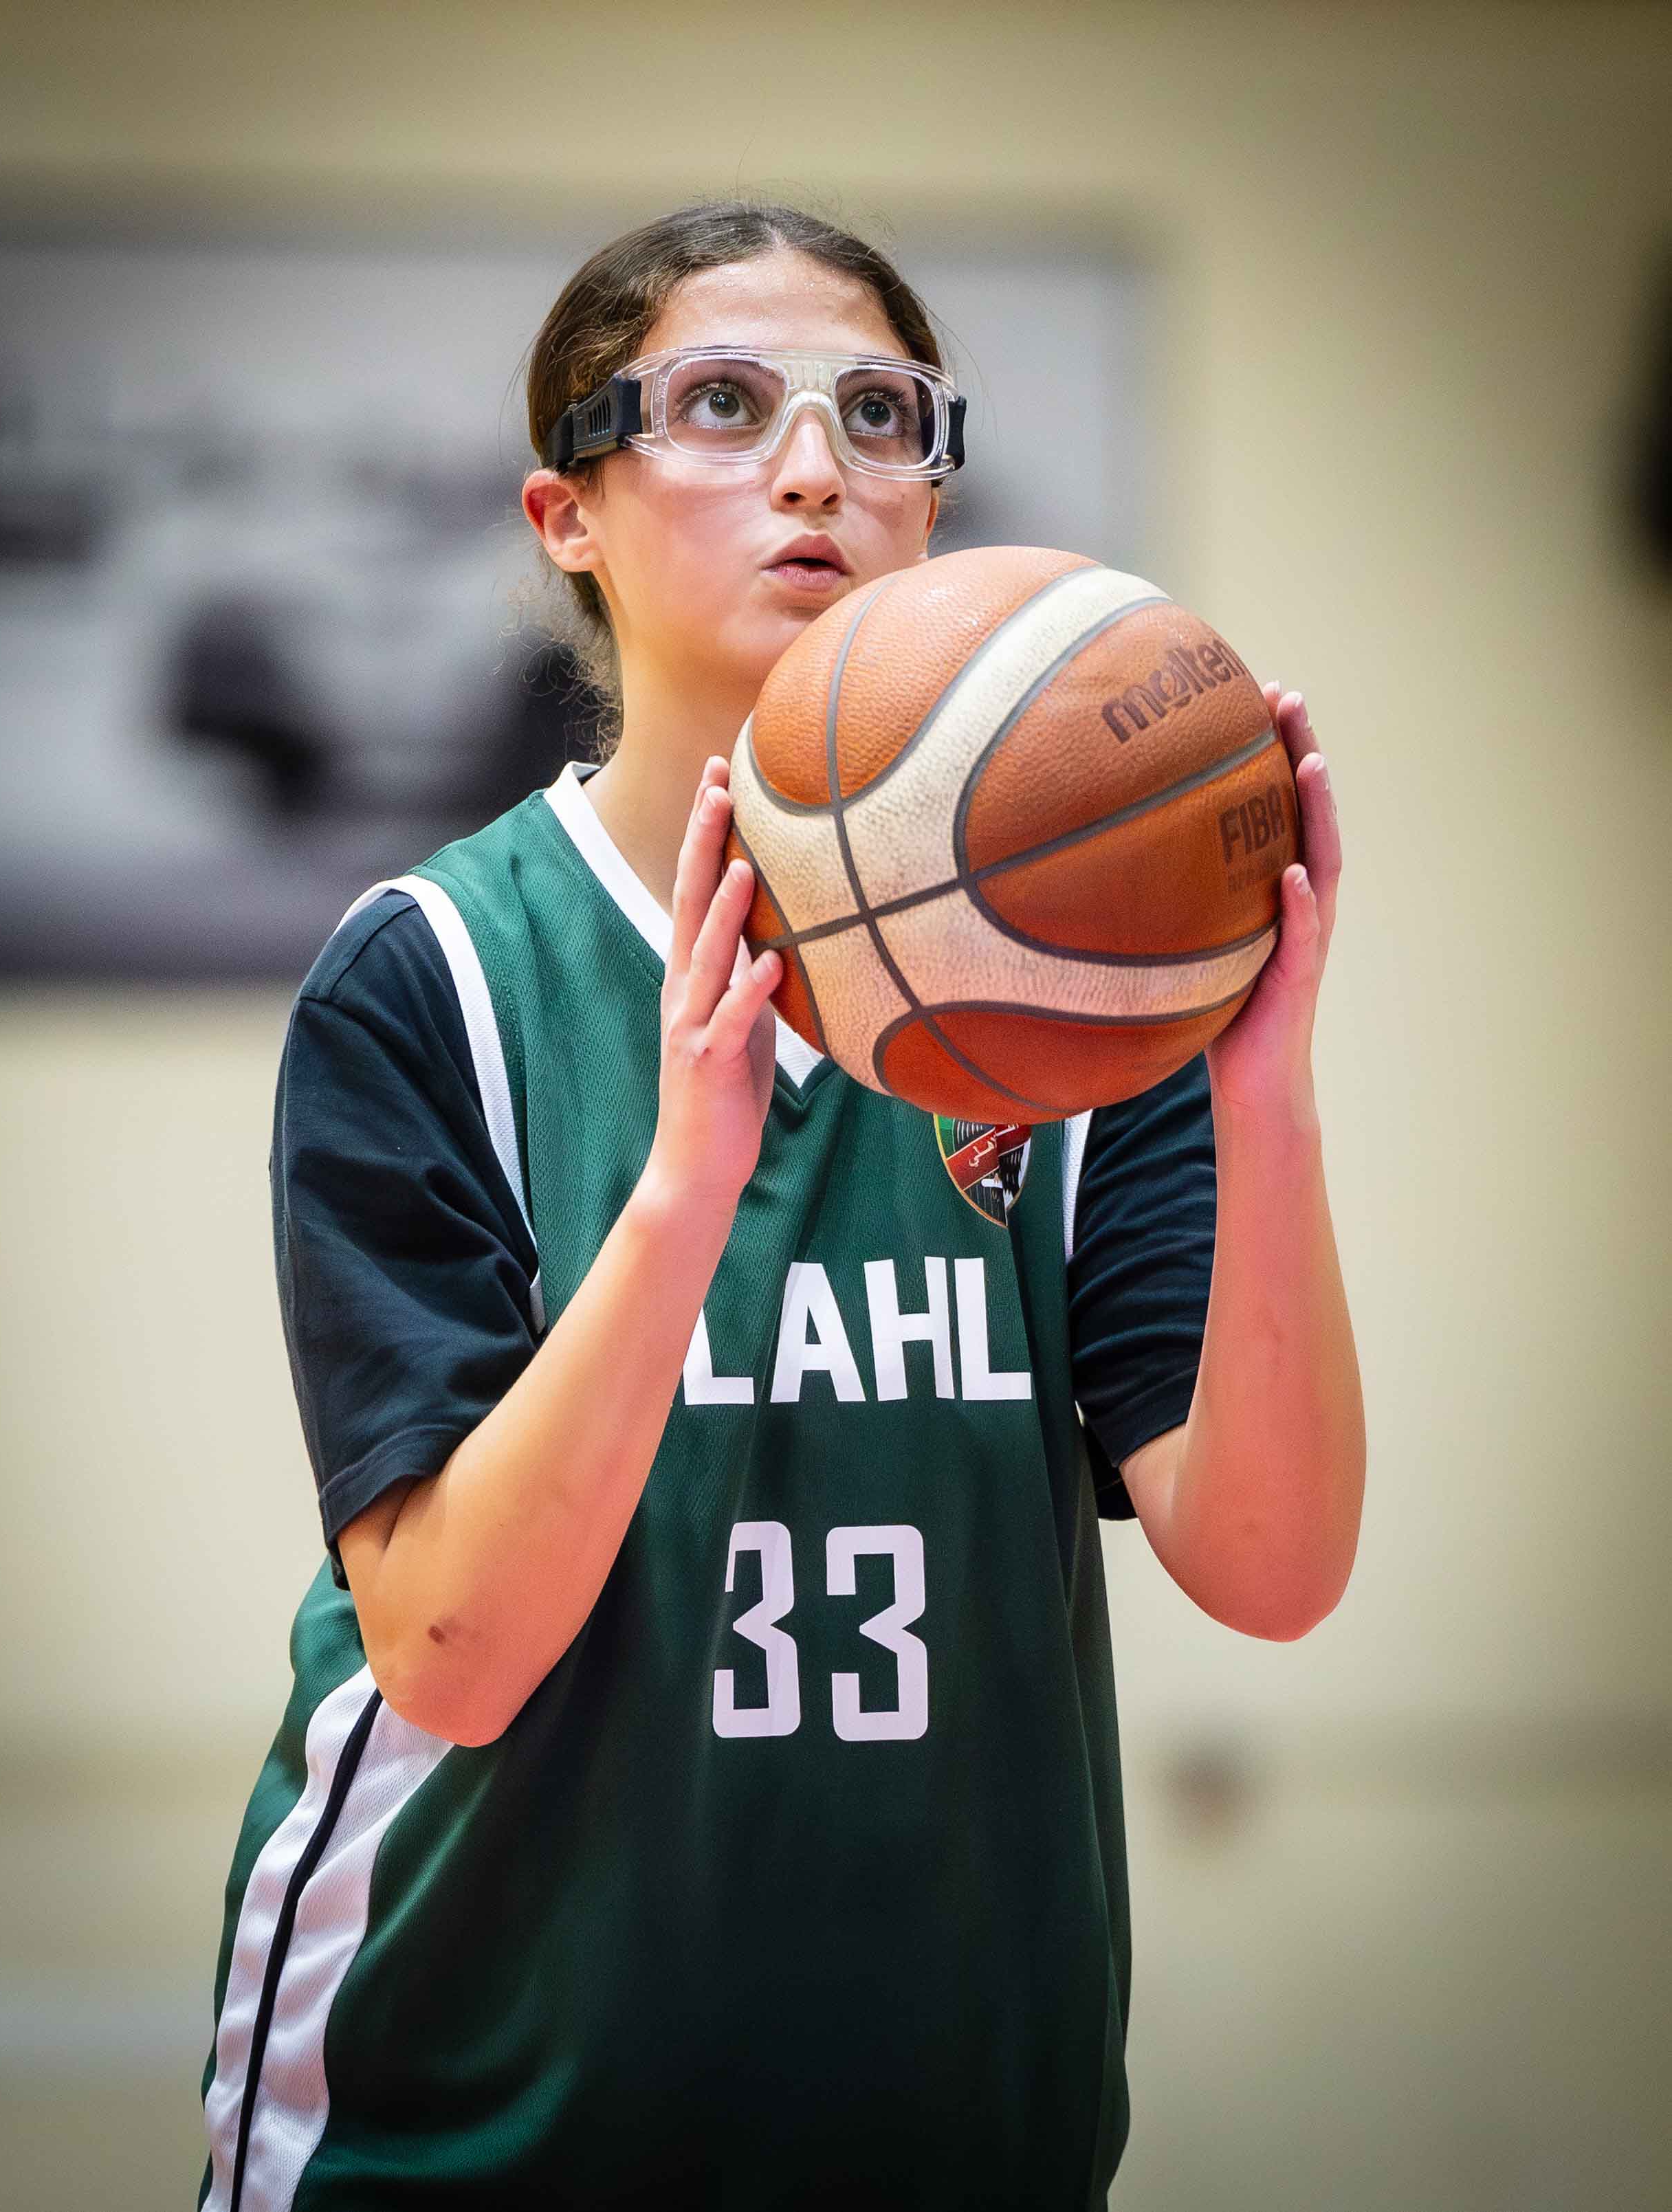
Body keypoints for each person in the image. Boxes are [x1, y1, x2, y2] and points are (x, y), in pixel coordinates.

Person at [197, 200, 1365, 2211]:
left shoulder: (1091, 1012)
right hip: (471, 2127)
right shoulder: (436, 973)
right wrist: (685, 1191)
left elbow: (1271, 1565)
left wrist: (1263, 1096)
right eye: (724, 405)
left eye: (879, 413)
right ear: (568, 515)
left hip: (955, 2134)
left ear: (933, 497)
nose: (816, 466)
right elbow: (451, 1656)